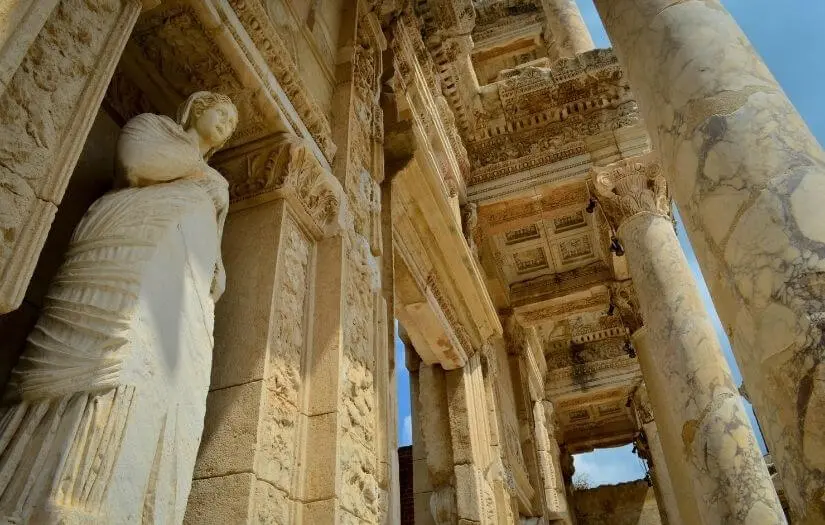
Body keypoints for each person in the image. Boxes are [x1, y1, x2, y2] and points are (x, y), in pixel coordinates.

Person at [0, 92, 238, 524]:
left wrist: (216, 269)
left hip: (185, 288)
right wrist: (199, 169)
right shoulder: (153, 127)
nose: (226, 124)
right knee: (113, 357)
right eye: (221, 113)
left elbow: (214, 242)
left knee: (166, 386)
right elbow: (136, 163)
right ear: (198, 108)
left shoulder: (216, 184)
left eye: (232, 125)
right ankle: (50, 492)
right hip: (125, 251)